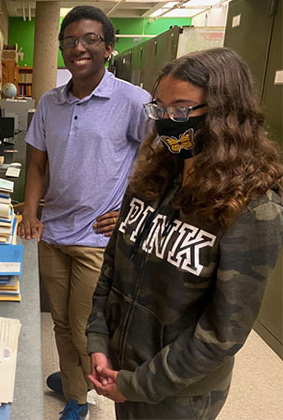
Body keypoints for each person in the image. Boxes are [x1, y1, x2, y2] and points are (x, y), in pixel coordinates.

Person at [86, 47, 283, 419]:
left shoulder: (253, 210)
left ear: (224, 115)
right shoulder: (152, 178)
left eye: (179, 110)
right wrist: (99, 341)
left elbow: (222, 334)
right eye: (158, 108)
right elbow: (111, 268)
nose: (165, 121)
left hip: (180, 394)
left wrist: (139, 385)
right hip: (123, 368)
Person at [17, 5, 151, 420]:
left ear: (109, 47)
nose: (79, 47)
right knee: (59, 323)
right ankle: (74, 386)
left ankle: (82, 399)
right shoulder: (49, 102)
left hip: (98, 238)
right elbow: (37, 164)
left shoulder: (133, 100)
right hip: (53, 234)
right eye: (70, 40)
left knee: (83, 329)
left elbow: (158, 164)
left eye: (90, 39)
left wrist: (134, 213)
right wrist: (32, 212)